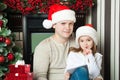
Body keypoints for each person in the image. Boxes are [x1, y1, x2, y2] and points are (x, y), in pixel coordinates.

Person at [33, 4, 76, 80]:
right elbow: (40, 76)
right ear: (54, 25)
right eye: (63, 23)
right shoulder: (43, 47)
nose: (68, 27)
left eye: (70, 24)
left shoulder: (77, 43)